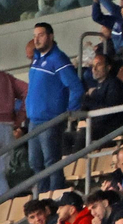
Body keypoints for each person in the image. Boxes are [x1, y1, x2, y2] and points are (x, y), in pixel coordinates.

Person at [26, 22, 83, 192]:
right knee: (35, 163)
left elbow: (76, 87)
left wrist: (70, 111)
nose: (37, 39)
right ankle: (43, 200)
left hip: (50, 120)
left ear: (51, 36)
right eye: (35, 35)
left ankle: (55, 198)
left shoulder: (58, 59)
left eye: (41, 35)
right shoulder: (37, 58)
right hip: (34, 120)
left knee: (51, 162)